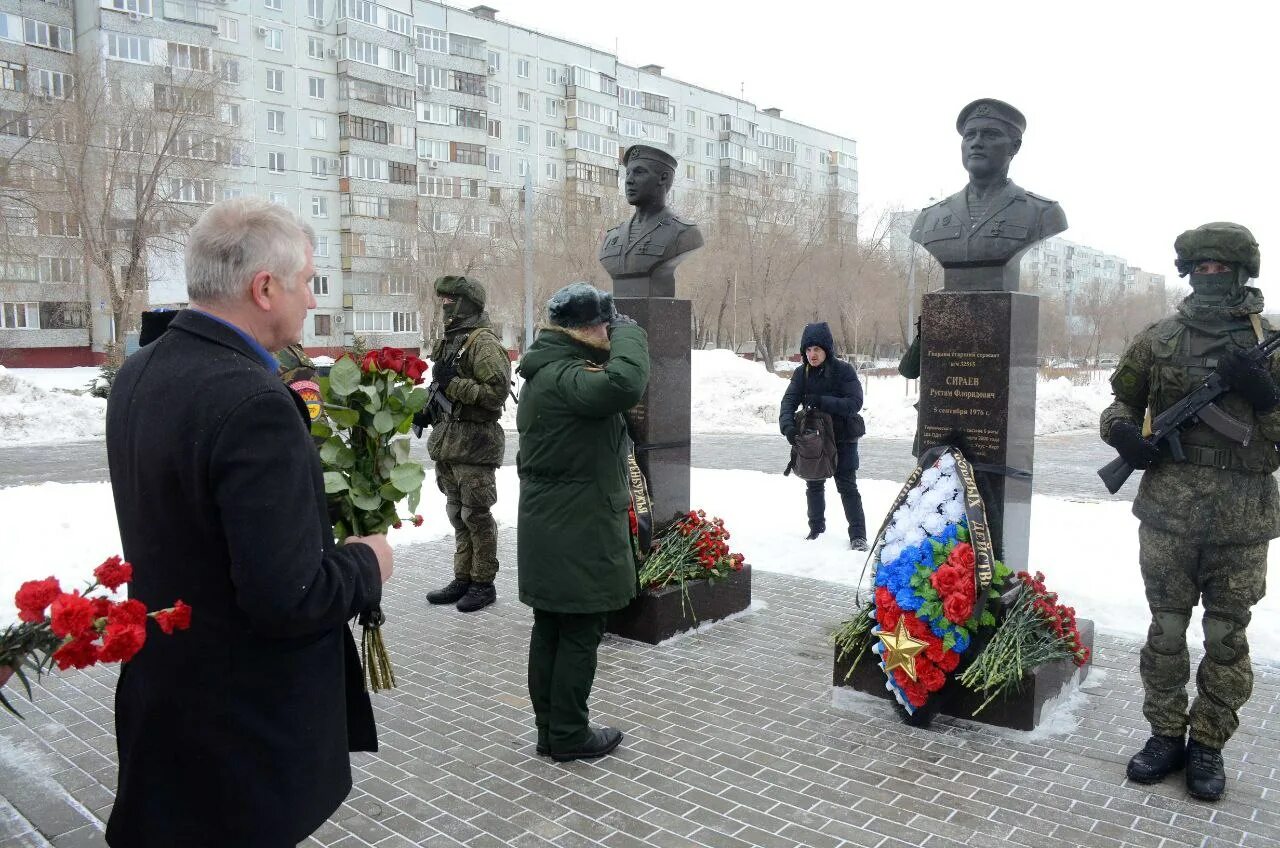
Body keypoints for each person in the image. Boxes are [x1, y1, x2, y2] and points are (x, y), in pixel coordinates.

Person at [104, 197, 394, 847]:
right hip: (238, 732)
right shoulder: (253, 401)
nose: (312, 301)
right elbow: (286, 598)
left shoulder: (140, 370)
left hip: (166, 699)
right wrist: (368, 561)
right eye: (307, 282)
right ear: (264, 288)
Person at [1100, 222, 1275, 802]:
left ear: (1243, 272)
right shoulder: (1161, 337)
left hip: (1242, 521)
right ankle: (1165, 734)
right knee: (1166, 632)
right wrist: (1124, 434)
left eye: (1220, 267)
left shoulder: (1270, 342)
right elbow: (1119, 403)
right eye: (1200, 266)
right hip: (1170, 515)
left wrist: (1268, 396)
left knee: (1226, 639)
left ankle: (1209, 744)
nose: (1210, 275)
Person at [515, 282, 649, 762]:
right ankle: (569, 734)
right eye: (608, 325)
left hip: (553, 526)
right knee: (578, 632)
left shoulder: (547, 371)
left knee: (551, 627)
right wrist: (633, 336)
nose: (611, 333)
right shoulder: (567, 376)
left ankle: (551, 730)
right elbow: (624, 385)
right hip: (577, 529)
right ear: (592, 328)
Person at [416, 275, 511, 613]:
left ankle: (483, 583)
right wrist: (426, 412)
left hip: (475, 445)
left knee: (477, 516)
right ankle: (463, 577)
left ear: (464, 304)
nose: (443, 307)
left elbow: (495, 395)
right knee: (458, 514)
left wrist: (453, 383)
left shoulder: (482, 342)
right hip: (450, 444)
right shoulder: (452, 341)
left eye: (448, 301)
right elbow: (440, 386)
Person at [910, 98, 1067, 268]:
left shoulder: (1043, 213)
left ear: (1015, 146)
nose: (976, 143)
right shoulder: (929, 217)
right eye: (970, 135)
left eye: (991, 134)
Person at [779, 322, 868, 550]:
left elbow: (855, 403)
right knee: (814, 483)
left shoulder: (844, 371)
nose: (812, 354)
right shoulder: (802, 374)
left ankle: (858, 535)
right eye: (808, 350)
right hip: (815, 439)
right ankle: (816, 529)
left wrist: (822, 401)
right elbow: (788, 402)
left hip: (843, 438)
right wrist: (788, 427)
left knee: (847, 486)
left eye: (817, 349)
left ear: (827, 349)